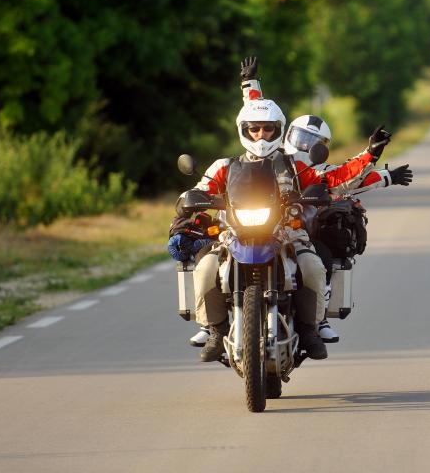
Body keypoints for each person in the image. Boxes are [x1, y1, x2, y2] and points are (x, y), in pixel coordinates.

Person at [168, 57, 331, 361]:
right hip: (233, 234)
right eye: (254, 129)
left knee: (312, 267)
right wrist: (189, 200)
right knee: (204, 268)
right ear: (244, 130)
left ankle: (311, 329)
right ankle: (215, 330)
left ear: (278, 130)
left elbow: (321, 181)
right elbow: (201, 189)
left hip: (285, 233)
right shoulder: (226, 166)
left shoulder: (292, 164)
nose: (261, 135)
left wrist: (320, 193)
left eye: (269, 130)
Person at [283, 115, 414, 341]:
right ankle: (214, 326)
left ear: (322, 147)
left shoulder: (316, 170)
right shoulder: (264, 161)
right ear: (287, 135)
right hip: (256, 227)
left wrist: (383, 171)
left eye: (313, 142)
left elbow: (346, 179)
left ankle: (318, 319)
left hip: (300, 230)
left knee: (321, 257)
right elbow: (256, 113)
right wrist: (249, 84)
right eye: (301, 138)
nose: (305, 145)